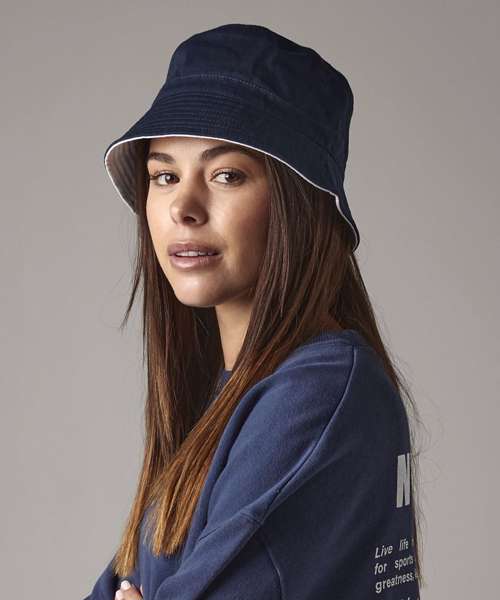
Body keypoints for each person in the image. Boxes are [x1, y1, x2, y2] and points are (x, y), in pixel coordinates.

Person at [84, 23, 423, 600]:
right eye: (164, 175)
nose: (183, 207)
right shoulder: (223, 400)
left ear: (297, 201)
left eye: (227, 175)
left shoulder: (317, 392)